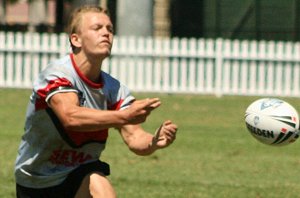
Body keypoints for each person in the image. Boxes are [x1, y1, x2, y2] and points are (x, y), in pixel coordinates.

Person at [14, 5, 178, 198]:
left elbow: (134, 138)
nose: (106, 34)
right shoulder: (58, 74)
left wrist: (153, 141)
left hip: (80, 172)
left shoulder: (114, 89)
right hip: (35, 180)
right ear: (76, 39)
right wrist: (123, 116)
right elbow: (70, 117)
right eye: (97, 28)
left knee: (98, 182)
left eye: (110, 29)